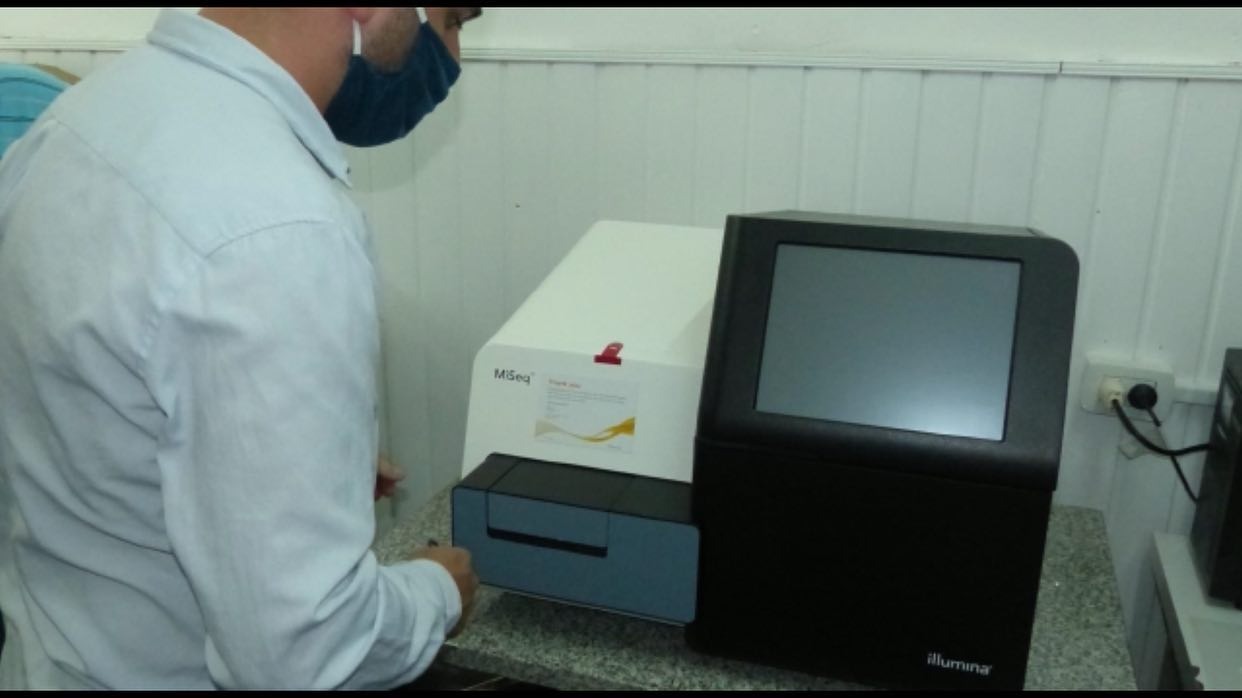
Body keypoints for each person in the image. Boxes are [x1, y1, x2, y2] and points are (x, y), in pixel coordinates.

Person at [0, 7, 481, 689]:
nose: (452, 55)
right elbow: (308, 654)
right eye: (453, 18)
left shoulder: (75, 119)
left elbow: (79, 400)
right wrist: (437, 592)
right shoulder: (278, 227)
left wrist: (283, 457)